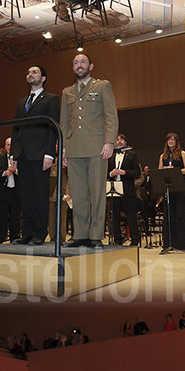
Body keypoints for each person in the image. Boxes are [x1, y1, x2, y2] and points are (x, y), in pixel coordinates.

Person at [60, 51, 118, 248]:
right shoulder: (67, 92)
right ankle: (81, 235)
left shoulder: (102, 86)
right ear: (73, 68)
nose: (79, 64)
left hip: (96, 148)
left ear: (90, 66)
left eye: (83, 61)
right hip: (74, 149)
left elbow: (111, 116)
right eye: (76, 62)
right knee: (78, 195)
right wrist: (63, 151)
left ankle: (95, 235)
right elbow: (64, 123)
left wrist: (110, 142)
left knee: (97, 194)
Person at [11, 65, 60, 245]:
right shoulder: (21, 101)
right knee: (27, 195)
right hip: (22, 154)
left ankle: (40, 232)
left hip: (41, 154)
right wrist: (13, 155)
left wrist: (49, 153)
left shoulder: (51, 99)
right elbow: (16, 128)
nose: (30, 74)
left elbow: (53, 127)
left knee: (40, 194)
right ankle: (27, 233)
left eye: (35, 72)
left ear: (43, 78)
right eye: (29, 72)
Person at [158, 132, 185, 251]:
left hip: (180, 188)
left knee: (181, 215)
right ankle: (168, 243)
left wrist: (175, 171)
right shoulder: (163, 156)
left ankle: (182, 244)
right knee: (168, 215)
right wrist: (165, 170)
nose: (171, 141)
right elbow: (159, 170)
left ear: (176, 142)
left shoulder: (182, 153)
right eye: (169, 140)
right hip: (169, 189)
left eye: (173, 140)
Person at [107, 133, 141, 246]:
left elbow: (137, 172)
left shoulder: (132, 154)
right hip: (114, 188)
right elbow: (105, 173)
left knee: (131, 215)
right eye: (117, 139)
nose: (119, 141)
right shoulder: (110, 155)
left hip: (127, 188)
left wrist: (124, 172)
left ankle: (135, 239)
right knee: (114, 215)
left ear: (126, 142)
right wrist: (111, 173)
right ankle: (117, 239)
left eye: (122, 139)